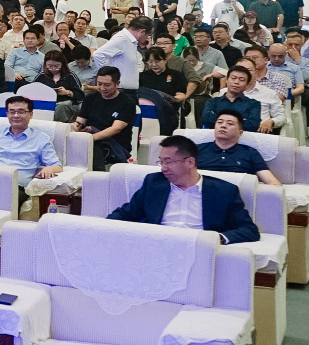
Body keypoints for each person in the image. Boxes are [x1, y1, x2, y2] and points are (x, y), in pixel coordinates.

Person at [106, 136, 259, 245]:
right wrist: (104, 228)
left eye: (168, 162)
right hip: (158, 244)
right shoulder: (154, 183)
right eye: (161, 162)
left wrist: (217, 239)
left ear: (190, 162)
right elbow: (127, 213)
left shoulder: (224, 191)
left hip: (198, 247)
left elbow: (248, 230)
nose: (163, 168)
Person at [0, 95, 62, 192]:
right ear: (7, 114)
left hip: (17, 187)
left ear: (31, 114)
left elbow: (57, 165)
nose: (16, 116)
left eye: (21, 112)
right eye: (12, 112)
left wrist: (50, 169)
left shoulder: (41, 138)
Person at [75, 67, 138, 169]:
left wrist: (91, 139)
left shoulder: (127, 102)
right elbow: (80, 120)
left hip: (114, 144)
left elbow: (116, 128)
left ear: (117, 83)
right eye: (99, 84)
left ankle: (96, 175)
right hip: (89, 138)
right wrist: (78, 127)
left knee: (93, 150)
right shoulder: (90, 99)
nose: (102, 88)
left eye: (107, 85)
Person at [196, 110, 281, 184]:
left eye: (230, 123)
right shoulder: (197, 149)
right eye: (219, 122)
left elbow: (272, 181)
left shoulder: (250, 152)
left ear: (240, 133)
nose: (223, 126)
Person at [200, 65, 263, 132]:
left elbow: (252, 126)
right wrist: (240, 121)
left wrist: (219, 121)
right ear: (226, 80)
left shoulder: (253, 104)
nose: (236, 82)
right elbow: (206, 120)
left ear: (247, 84)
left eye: (241, 80)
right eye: (233, 78)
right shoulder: (212, 102)